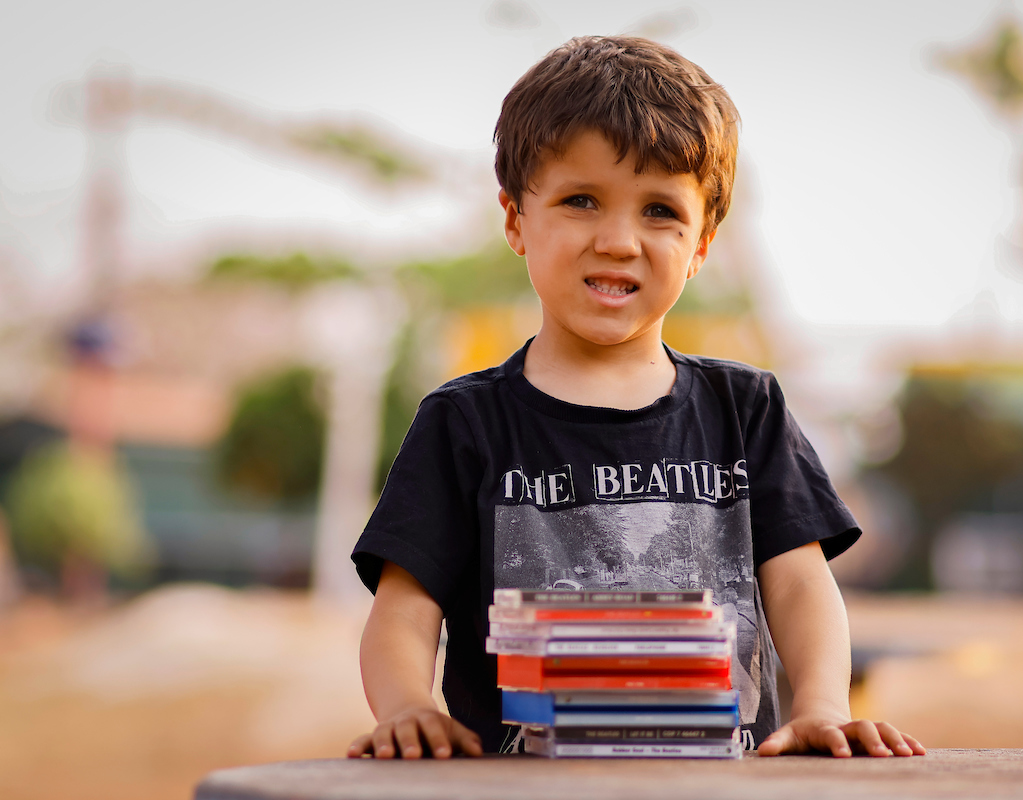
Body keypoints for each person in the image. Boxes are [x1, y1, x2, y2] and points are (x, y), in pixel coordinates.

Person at [346, 35, 924, 760]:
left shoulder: (745, 410)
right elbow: (406, 604)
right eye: (581, 200)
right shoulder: (464, 423)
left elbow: (803, 584)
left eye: (660, 211)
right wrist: (406, 706)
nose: (619, 240)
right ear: (516, 219)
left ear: (703, 241)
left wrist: (820, 703)